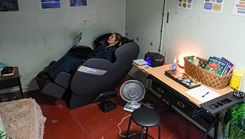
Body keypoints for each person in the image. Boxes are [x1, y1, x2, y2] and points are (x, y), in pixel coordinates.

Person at [46, 33, 122, 80]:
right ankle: (49, 70)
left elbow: (105, 62)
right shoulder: (103, 46)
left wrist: (89, 60)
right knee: (67, 57)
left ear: (116, 42)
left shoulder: (112, 51)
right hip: (87, 59)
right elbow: (92, 52)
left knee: (70, 62)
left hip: (91, 65)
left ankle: (54, 76)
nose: (109, 37)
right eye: (110, 36)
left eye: (112, 37)